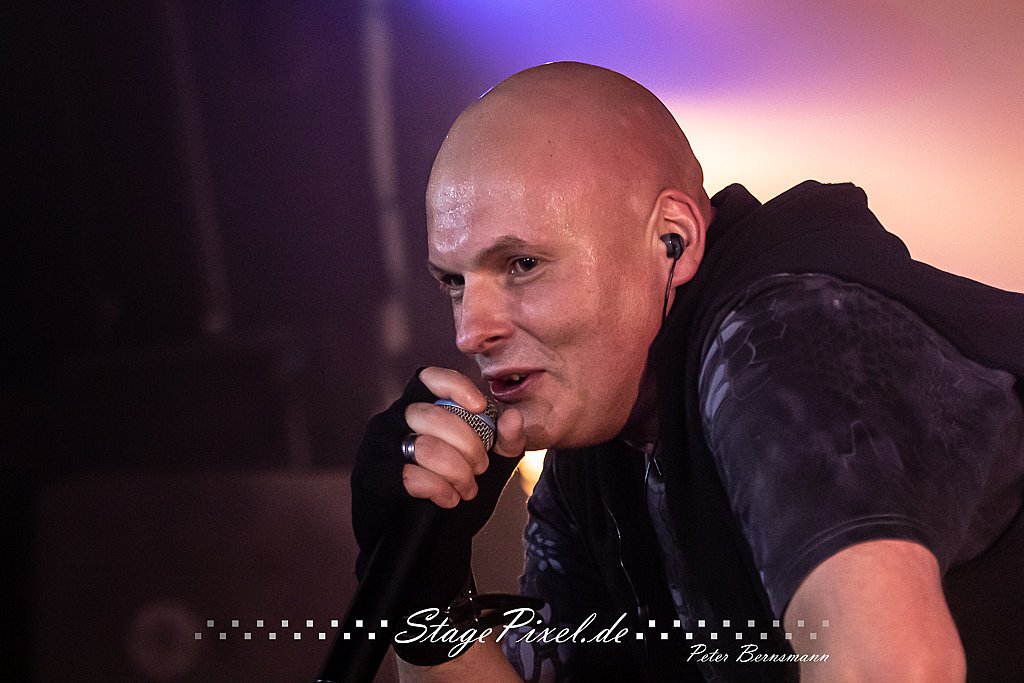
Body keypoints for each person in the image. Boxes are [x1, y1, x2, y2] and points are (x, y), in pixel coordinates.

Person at [351, 62, 1024, 682]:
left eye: (522, 265)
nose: (471, 331)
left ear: (672, 239)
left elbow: (894, 667)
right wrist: (428, 601)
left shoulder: (786, 339)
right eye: (454, 282)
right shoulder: (599, 451)